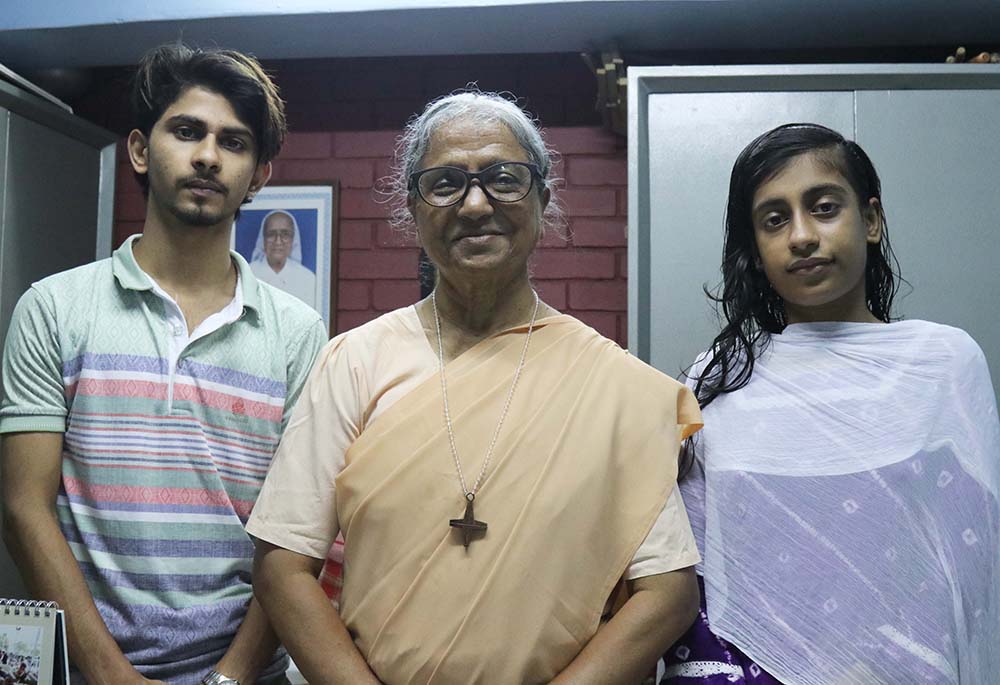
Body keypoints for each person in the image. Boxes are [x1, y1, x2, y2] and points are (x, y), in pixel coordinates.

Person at [247, 90, 703, 685]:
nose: (475, 203)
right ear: (412, 208)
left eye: (504, 179)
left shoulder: (612, 385)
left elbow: (667, 589)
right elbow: (282, 564)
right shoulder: (355, 362)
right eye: (444, 184)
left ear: (544, 197)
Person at [0, 44, 327, 685]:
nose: (208, 155)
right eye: (187, 131)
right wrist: (107, 674)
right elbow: (22, 506)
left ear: (259, 174)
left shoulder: (299, 335)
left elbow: (297, 534)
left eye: (234, 143)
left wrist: (230, 679)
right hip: (84, 672)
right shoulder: (54, 308)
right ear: (141, 151)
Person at [662, 123, 999, 684]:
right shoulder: (717, 379)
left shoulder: (940, 364)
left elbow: (970, 567)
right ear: (756, 246)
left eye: (822, 208)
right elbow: (690, 566)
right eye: (775, 220)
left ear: (870, 220)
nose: (801, 236)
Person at [249, 209, 318, 308]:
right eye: (271, 234)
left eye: (285, 234)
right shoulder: (248, 274)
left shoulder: (308, 279)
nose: (278, 241)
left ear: (293, 239)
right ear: (263, 239)